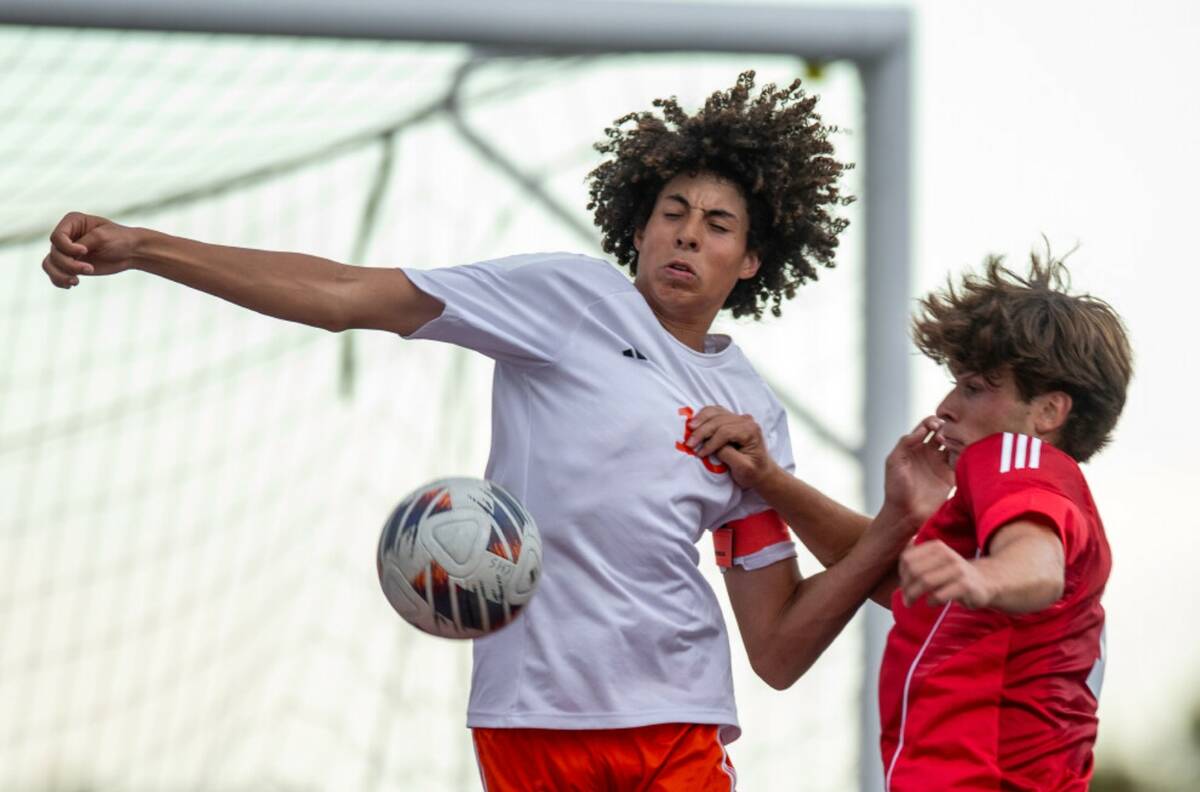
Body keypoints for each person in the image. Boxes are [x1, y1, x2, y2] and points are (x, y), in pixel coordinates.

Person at [40, 72, 935, 790]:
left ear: (750, 262)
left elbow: (777, 649)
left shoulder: (752, 408)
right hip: (528, 721)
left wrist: (877, 523)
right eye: (671, 212)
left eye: (717, 226)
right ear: (636, 223)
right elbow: (352, 296)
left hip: (676, 723)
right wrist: (147, 249)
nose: (687, 237)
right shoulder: (565, 301)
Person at [687, 250, 1133, 790]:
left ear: (1047, 413)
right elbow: (884, 572)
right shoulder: (1015, 503)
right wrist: (778, 483)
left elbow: (1039, 566)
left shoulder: (1018, 462)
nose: (946, 405)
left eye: (974, 387)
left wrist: (981, 577)